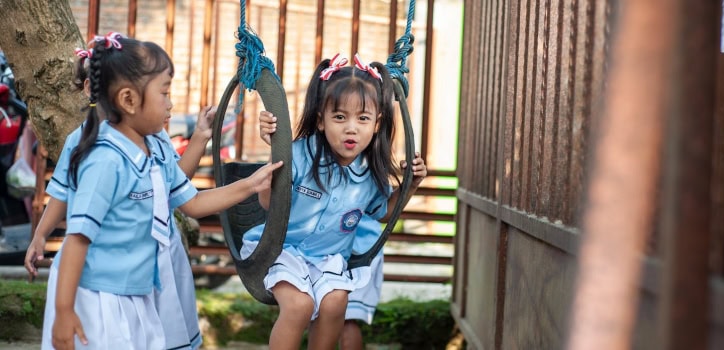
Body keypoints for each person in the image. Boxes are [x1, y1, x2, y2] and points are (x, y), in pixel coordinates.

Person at [40, 33, 282, 350]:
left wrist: (252, 184)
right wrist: (63, 311)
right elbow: (77, 240)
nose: (171, 103)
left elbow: (193, 202)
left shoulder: (152, 145)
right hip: (99, 301)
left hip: (137, 292)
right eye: (164, 93)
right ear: (128, 100)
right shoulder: (106, 161)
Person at [27, 35, 215, 350]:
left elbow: (178, 186)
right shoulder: (90, 148)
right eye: (164, 92)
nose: (168, 102)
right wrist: (40, 235)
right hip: (107, 271)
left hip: (152, 256)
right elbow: (63, 196)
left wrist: (200, 138)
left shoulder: (154, 137)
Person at [240, 53, 426, 349]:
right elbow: (267, 204)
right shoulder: (299, 154)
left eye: (362, 118)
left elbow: (382, 214)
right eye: (339, 117)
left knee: (336, 301)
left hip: (328, 259)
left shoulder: (371, 175)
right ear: (321, 121)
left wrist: (410, 186)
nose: (351, 128)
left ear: (377, 124)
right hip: (282, 251)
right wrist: (276, 153)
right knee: (299, 305)